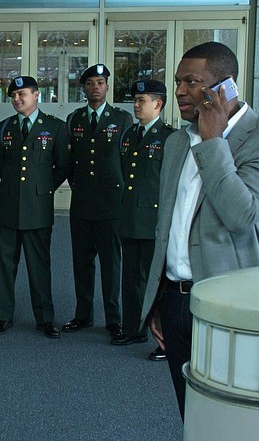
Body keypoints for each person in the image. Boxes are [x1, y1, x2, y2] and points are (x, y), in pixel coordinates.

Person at [140, 41, 259, 419]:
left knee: (230, 417)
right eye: (178, 82)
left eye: (192, 82)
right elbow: (169, 226)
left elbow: (241, 214)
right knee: (190, 412)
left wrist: (213, 140)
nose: (180, 92)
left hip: (230, 307)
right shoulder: (177, 141)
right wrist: (159, 300)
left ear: (226, 87)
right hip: (176, 302)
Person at [0, 76, 70, 338]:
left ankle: (45, 319)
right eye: (13, 95)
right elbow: (0, 164)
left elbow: (62, 166)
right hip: (8, 207)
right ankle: (3, 316)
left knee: (39, 266)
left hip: (38, 208)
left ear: (37, 95)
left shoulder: (55, 127)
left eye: (22, 94)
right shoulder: (3, 128)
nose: (17, 99)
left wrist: (42, 189)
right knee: (5, 265)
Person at [62, 64, 133, 340]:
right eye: (90, 83)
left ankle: (114, 320)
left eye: (100, 83)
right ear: (84, 88)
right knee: (82, 263)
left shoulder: (122, 119)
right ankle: (83, 315)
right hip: (82, 203)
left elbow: (127, 161)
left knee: (111, 264)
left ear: (107, 87)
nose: (95, 87)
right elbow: (69, 162)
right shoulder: (74, 119)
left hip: (111, 204)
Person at [110, 80, 174, 365]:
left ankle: (166, 339)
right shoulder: (129, 134)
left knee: (156, 283)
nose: (136, 105)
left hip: (154, 221)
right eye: (135, 100)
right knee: (131, 278)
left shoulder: (169, 138)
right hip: (130, 217)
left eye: (142, 100)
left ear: (158, 104)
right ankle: (133, 329)